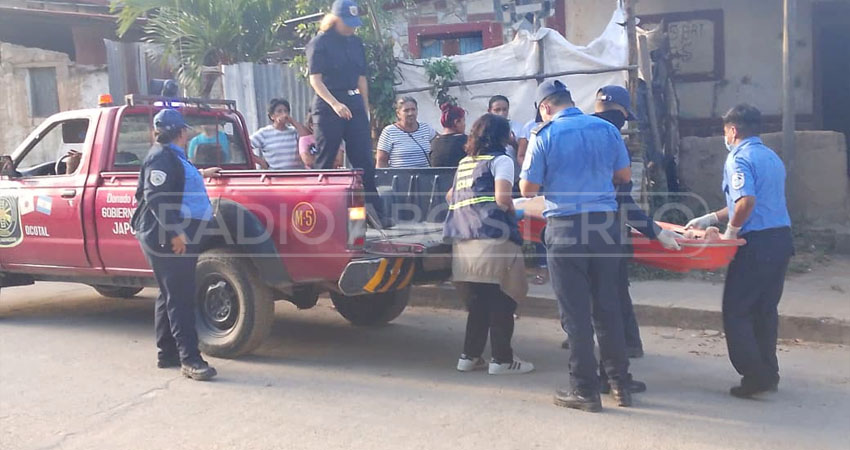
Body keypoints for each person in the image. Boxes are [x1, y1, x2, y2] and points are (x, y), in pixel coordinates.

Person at [520, 80, 642, 412]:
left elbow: (528, 188)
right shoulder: (606, 130)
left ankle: (584, 391)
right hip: (605, 227)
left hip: (566, 229)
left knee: (576, 316)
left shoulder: (543, 136)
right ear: (570, 100)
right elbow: (623, 175)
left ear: (545, 107)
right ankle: (620, 385)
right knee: (609, 309)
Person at [686, 104, 793, 399]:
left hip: (754, 244)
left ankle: (754, 375)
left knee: (737, 310)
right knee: (764, 311)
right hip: (780, 239)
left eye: (725, 132)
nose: (726, 137)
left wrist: (730, 232)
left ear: (732, 130)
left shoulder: (739, 158)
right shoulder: (770, 157)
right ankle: (768, 372)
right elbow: (743, 202)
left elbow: (745, 203)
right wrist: (712, 218)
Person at [130, 108, 221, 381]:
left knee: (170, 292)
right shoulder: (160, 156)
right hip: (165, 233)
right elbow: (157, 198)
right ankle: (190, 359)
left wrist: (202, 173)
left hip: (175, 229)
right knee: (180, 295)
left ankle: (167, 352)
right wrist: (175, 233)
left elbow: (177, 182)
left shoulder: (172, 155)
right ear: (181, 132)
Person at [444, 113, 533, 375]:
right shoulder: (501, 160)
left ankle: (469, 357)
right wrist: (520, 208)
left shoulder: (465, 162)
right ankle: (502, 360)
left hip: (463, 238)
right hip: (493, 238)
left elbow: (451, 195)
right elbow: (503, 198)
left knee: (479, 302)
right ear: (504, 136)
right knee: (503, 299)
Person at [306, 0, 389, 227]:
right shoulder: (319, 42)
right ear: (335, 19)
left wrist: (365, 107)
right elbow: (315, 80)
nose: (352, 27)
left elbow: (361, 78)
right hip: (328, 104)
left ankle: (376, 215)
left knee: (364, 161)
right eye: (348, 22)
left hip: (353, 102)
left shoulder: (356, 43)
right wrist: (334, 104)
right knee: (325, 159)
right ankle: (318, 213)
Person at [376, 97, 437, 168]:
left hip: (425, 176)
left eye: (413, 109)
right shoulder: (389, 132)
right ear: (398, 113)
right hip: (400, 177)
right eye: (406, 110)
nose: (410, 113)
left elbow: (440, 144)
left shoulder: (426, 129)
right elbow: (381, 161)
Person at [251, 98, 310, 170]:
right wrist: (261, 162)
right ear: (272, 116)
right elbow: (243, 148)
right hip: (275, 177)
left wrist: (292, 121)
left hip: (297, 175)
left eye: (286, 111)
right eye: (279, 111)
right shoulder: (263, 133)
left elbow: (307, 138)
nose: (284, 114)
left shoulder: (294, 131)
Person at [429, 103, 467, 167]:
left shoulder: (434, 142)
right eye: (463, 121)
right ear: (456, 122)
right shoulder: (465, 141)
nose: (465, 125)